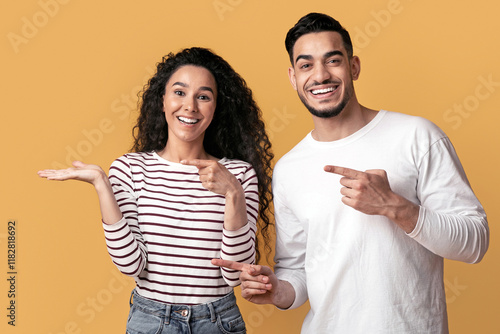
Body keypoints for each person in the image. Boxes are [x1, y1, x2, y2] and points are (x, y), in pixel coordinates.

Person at [213, 13, 489, 333]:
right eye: (306, 65)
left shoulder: (417, 136)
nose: (320, 75)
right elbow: (297, 269)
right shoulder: (289, 168)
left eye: (333, 60)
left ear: (353, 66)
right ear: (293, 77)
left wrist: (393, 206)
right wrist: (280, 291)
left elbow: (475, 243)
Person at [38, 47, 274, 334]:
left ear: (215, 108)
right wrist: (102, 184)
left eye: (203, 96)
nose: (190, 106)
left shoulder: (237, 174)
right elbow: (131, 265)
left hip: (217, 321)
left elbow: (234, 273)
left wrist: (233, 193)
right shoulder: (130, 169)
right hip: (152, 320)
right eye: (179, 92)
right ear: (162, 100)